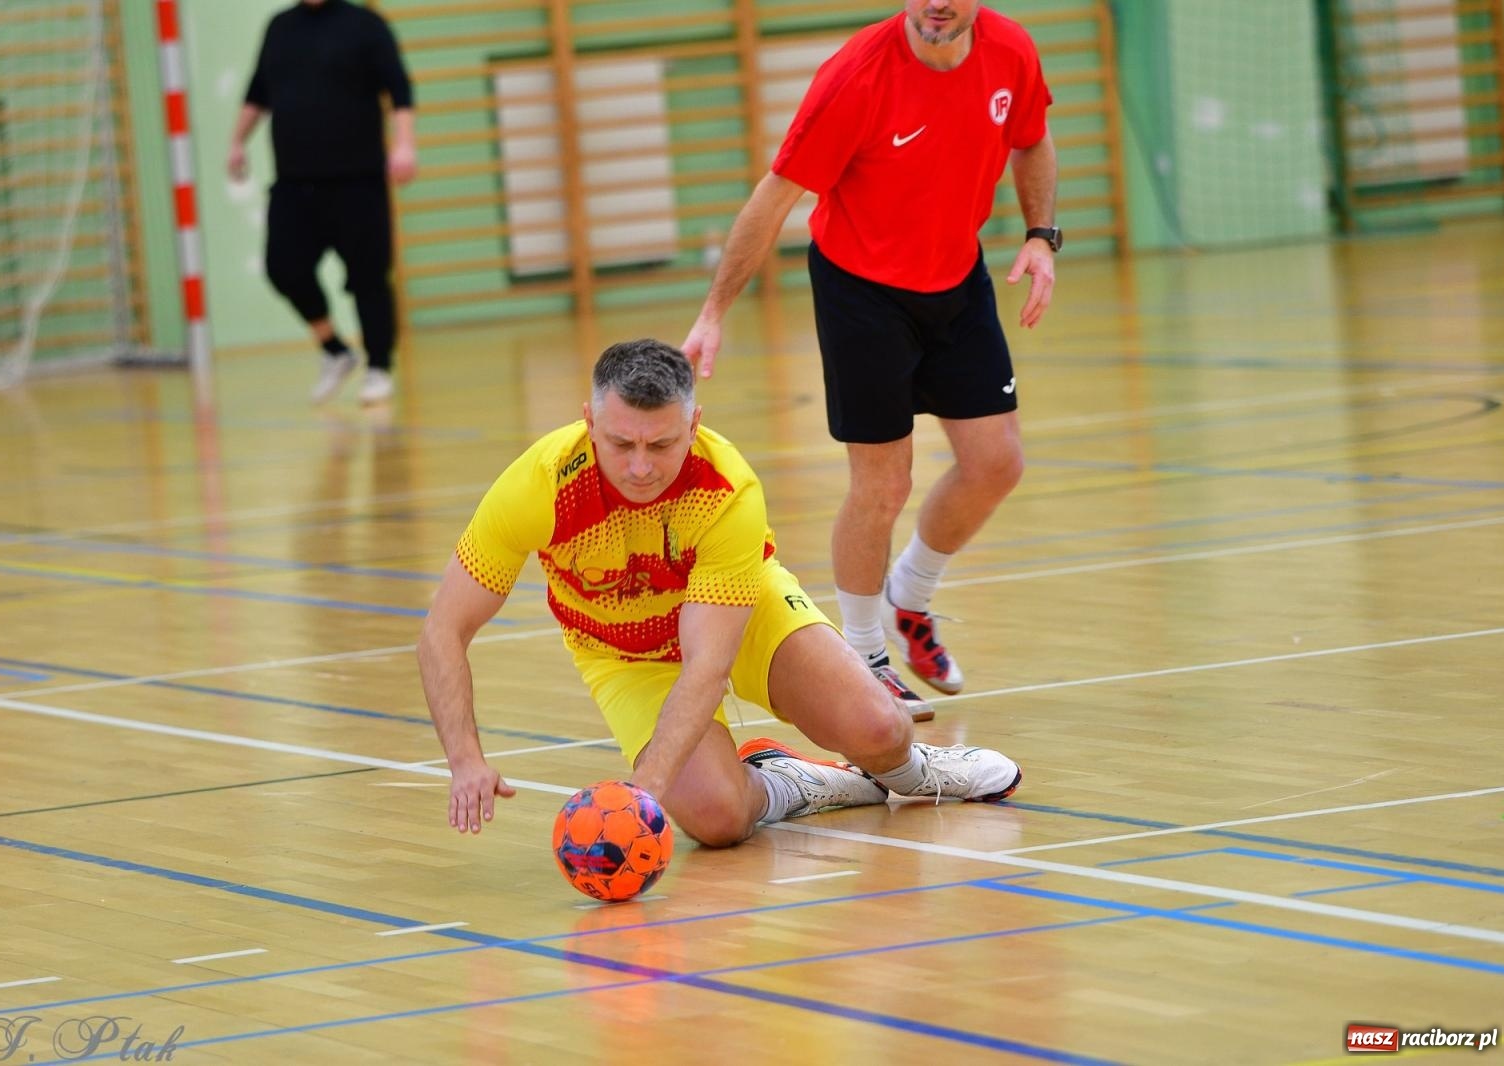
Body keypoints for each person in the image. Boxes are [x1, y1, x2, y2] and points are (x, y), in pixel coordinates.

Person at [418, 339, 1020, 848]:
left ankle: (912, 770)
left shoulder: (727, 487)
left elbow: (707, 664)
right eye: (620, 444)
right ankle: (798, 783)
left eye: (661, 445)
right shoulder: (538, 486)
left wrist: (641, 801)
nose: (639, 467)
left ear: (694, 425)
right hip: (625, 656)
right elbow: (443, 632)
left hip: (741, 613)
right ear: (588, 422)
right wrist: (465, 758)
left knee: (879, 728)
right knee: (717, 820)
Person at [682, 0, 1059, 719]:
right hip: (863, 288)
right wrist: (714, 311)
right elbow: (776, 195)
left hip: (956, 276)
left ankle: (908, 601)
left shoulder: (1010, 51)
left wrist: (1042, 234)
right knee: (883, 482)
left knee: (997, 463)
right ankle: (864, 656)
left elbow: (1032, 139)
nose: (938, 4)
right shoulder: (855, 77)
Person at [227, 0, 417, 406]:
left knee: (369, 278)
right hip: (295, 184)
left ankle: (379, 367)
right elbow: (257, 92)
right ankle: (334, 349)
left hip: (358, 183)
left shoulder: (366, 25)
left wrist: (404, 144)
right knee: (283, 267)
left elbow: (399, 88)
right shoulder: (279, 28)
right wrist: (237, 142)